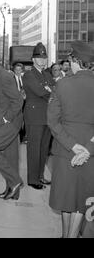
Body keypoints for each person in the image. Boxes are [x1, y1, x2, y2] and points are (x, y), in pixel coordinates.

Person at [47, 41, 94, 238]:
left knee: (66, 198)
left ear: (75, 61)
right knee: (81, 201)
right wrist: (87, 149)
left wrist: (73, 146)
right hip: (90, 154)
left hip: (65, 150)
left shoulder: (63, 84)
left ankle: (66, 235)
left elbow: (52, 121)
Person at [0, 53, 24, 201]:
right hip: (5, 121)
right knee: (11, 157)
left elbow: (18, 100)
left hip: (8, 122)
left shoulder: (4, 76)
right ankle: (11, 191)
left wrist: (7, 117)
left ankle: (15, 181)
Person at [22, 43, 54, 190]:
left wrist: (48, 90)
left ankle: (40, 175)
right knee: (34, 148)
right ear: (33, 59)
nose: (42, 60)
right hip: (34, 117)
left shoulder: (47, 74)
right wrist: (48, 90)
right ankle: (33, 179)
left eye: (44, 58)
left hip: (47, 116)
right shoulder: (28, 74)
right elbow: (40, 91)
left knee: (44, 148)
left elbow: (53, 90)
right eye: (39, 58)